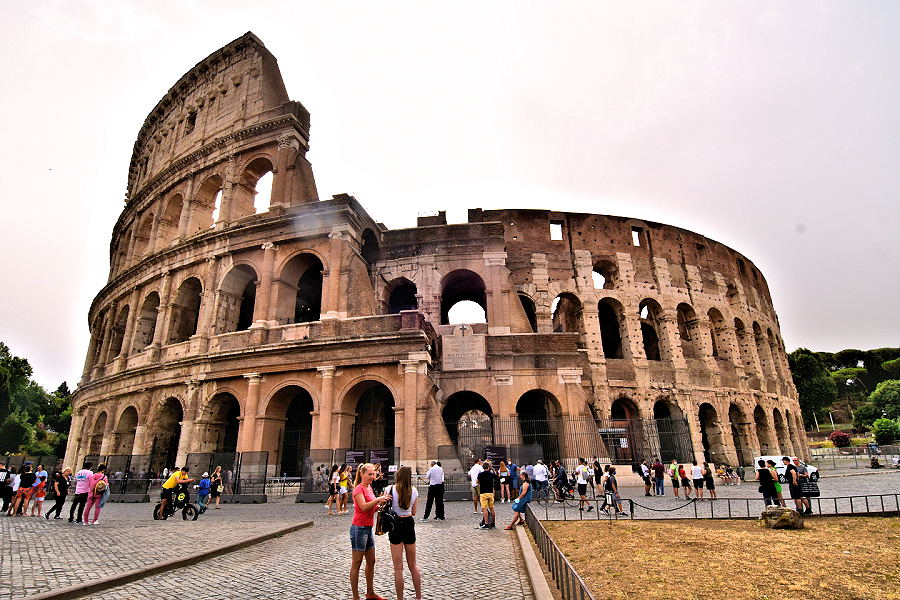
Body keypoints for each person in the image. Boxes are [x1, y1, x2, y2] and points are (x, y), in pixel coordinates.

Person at [349, 462, 390, 600]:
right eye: (370, 474)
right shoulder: (358, 489)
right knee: (357, 562)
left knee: (371, 561)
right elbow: (364, 506)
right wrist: (378, 500)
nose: (372, 476)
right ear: (362, 474)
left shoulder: (369, 488)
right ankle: (356, 596)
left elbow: (372, 508)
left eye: (373, 474)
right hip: (358, 528)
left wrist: (380, 505)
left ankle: (370, 592)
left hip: (368, 528)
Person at [388, 466, 423, 600]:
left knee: (398, 568)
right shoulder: (414, 491)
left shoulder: (389, 489)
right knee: (413, 565)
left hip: (395, 524)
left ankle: (400, 598)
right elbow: (413, 513)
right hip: (408, 523)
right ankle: (418, 597)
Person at [477, 460, 497, 529]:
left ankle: (486, 523)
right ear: (489, 467)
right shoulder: (491, 474)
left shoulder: (480, 475)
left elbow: (477, 482)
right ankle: (493, 522)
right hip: (490, 492)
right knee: (492, 508)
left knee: (484, 508)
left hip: (483, 493)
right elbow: (496, 478)